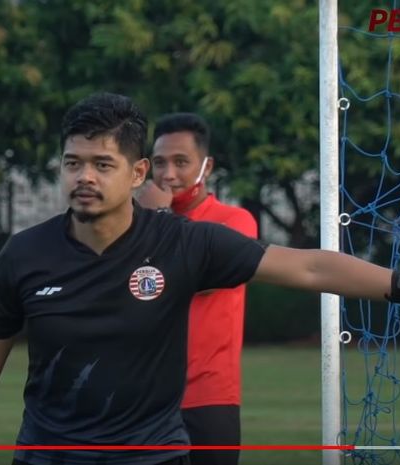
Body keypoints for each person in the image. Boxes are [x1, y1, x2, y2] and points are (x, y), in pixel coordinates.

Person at [0, 92, 400, 465]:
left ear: (137, 171)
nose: (83, 177)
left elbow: (310, 264)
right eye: (73, 163)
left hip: (153, 455)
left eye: (102, 164)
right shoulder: (24, 256)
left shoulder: (184, 243)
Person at [136, 113, 255, 465]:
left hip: (208, 396)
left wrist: (157, 220)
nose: (168, 174)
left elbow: (194, 275)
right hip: (143, 396)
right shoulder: (136, 222)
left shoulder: (233, 221)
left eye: (181, 162)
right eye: (159, 162)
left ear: (207, 166)